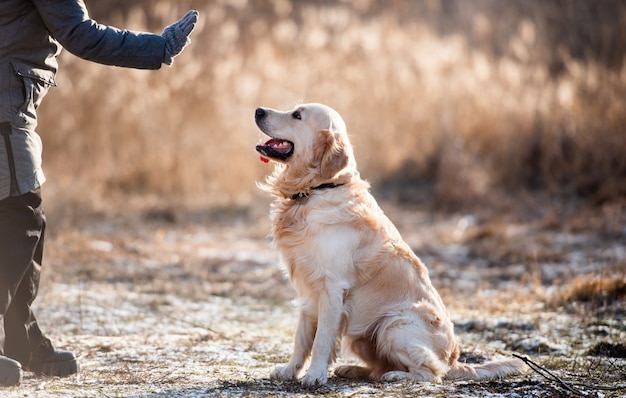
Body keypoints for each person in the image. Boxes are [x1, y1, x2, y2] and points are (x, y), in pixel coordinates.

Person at [0, 0, 199, 387]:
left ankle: (20, 339)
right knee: (20, 222)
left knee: (24, 221)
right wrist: (158, 48)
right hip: (5, 113)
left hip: (10, 107)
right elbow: (79, 34)